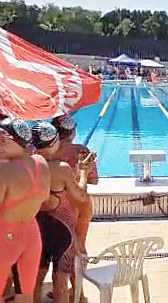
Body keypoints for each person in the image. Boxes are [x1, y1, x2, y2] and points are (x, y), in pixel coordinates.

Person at [31, 122, 93, 303]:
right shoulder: (61, 169)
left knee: (36, 277)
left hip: (36, 226)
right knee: (60, 278)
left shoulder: (27, 164)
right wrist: (82, 172)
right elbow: (81, 196)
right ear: (54, 142)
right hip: (61, 229)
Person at [0, 118, 51, 302]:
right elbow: (44, 198)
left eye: (3, 139)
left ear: (18, 141)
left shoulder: (4, 169)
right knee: (25, 295)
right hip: (31, 234)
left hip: (5, 236)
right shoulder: (41, 163)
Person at [51, 114, 98, 254]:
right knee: (80, 245)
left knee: (57, 250)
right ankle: (78, 276)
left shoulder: (46, 153)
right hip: (81, 204)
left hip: (55, 204)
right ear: (73, 132)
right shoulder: (81, 150)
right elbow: (94, 179)